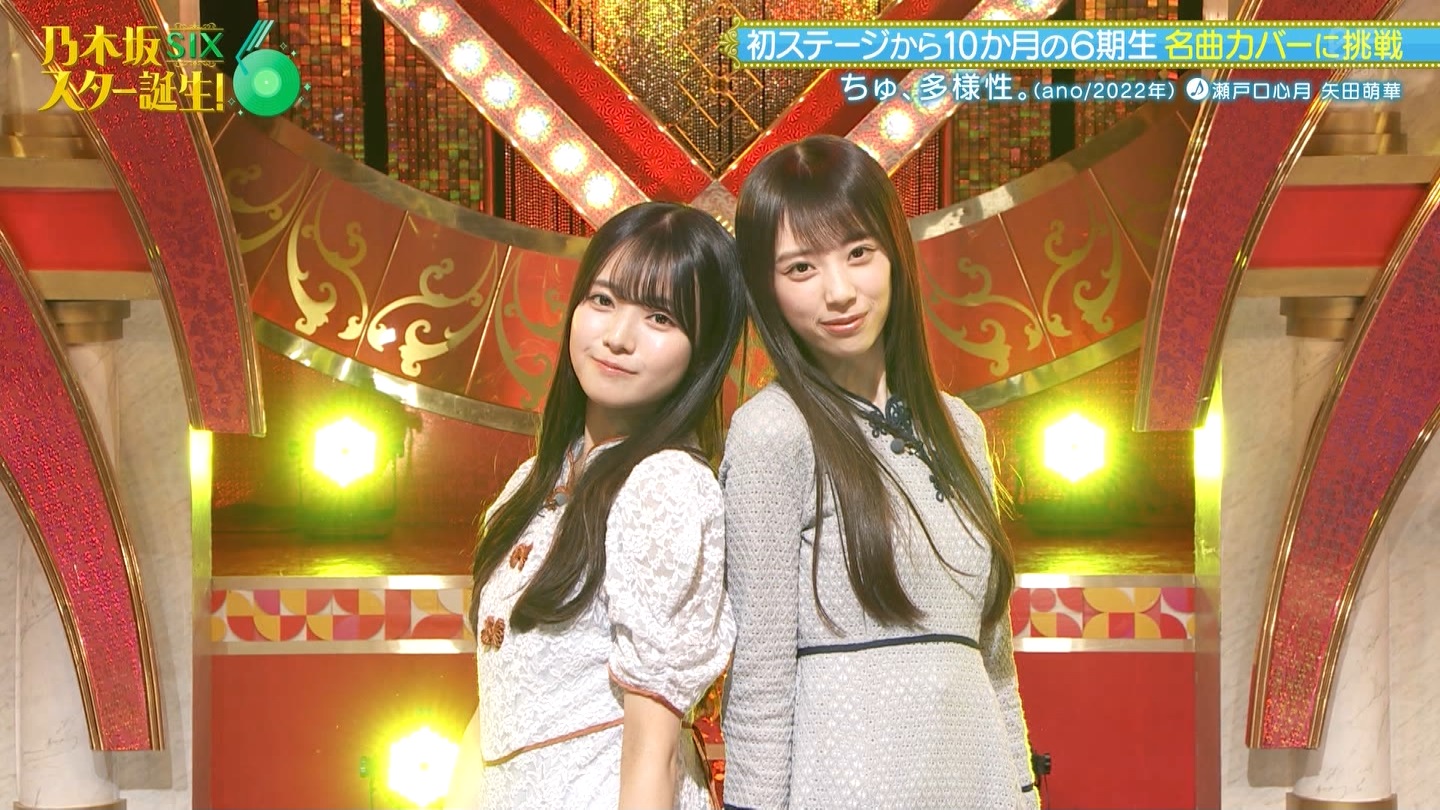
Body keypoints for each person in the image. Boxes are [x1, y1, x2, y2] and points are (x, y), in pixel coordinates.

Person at [719, 135, 1040, 809]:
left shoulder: (960, 428)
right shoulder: (772, 432)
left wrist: (1024, 792)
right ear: (765, 288)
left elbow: (995, 666)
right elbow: (760, 678)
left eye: (858, 253)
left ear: (894, 252)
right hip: (848, 786)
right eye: (800, 268)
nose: (839, 292)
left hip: (977, 783)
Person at [446, 201, 747, 809]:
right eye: (603, 300)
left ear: (704, 349)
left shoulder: (665, 486)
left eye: (659, 317)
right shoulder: (534, 480)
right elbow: (494, 711)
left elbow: (655, 752)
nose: (617, 337)